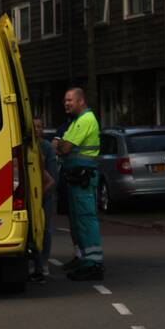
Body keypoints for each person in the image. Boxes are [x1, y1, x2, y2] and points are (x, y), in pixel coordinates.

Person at [53, 88, 104, 281]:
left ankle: (94, 264)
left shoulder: (85, 120)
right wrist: (60, 145)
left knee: (85, 219)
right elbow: (60, 146)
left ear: (81, 101)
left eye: (70, 100)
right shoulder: (76, 121)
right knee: (77, 221)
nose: (66, 103)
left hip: (83, 177)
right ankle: (84, 259)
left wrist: (60, 144)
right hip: (76, 177)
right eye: (65, 100)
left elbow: (64, 147)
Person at [29, 117, 58, 284]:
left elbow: (52, 178)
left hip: (44, 195)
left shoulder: (46, 147)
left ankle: (43, 262)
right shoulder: (27, 146)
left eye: (40, 126)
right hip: (33, 196)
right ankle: (34, 263)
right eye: (34, 126)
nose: (37, 129)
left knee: (45, 229)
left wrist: (42, 195)